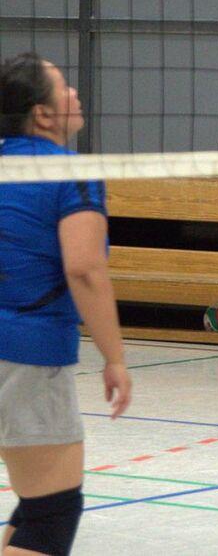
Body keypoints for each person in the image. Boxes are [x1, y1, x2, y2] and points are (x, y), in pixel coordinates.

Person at [1, 53, 132, 556]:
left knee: (37, 503)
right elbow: (84, 269)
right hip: (24, 353)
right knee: (51, 514)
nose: (75, 92)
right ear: (43, 113)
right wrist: (115, 358)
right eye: (63, 86)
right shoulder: (71, 173)